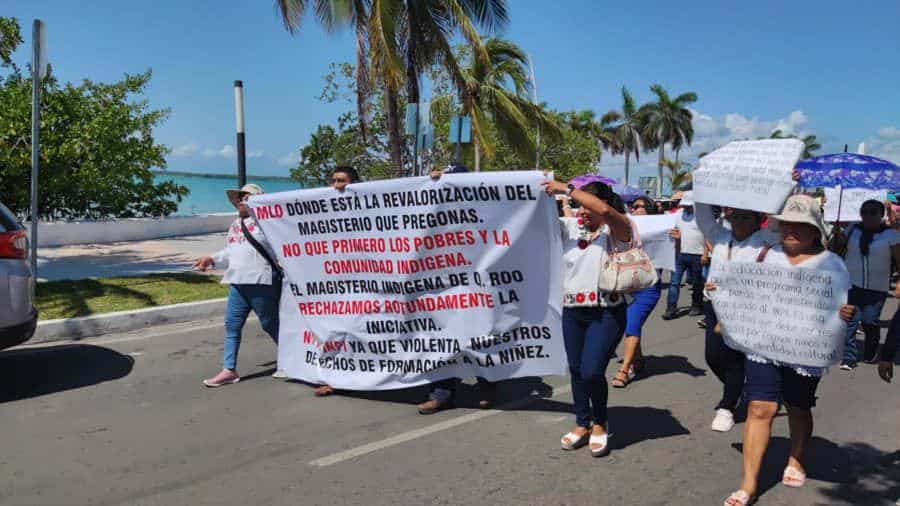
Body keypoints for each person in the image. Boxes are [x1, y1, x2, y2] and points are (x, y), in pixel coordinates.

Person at [720, 194, 855, 506]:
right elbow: (741, 289)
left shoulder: (832, 264)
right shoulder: (764, 255)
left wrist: (845, 313)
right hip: (764, 346)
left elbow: (840, 305)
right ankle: (749, 484)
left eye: (801, 225)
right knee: (759, 408)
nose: (792, 230)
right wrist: (722, 297)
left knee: (797, 406)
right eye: (787, 224)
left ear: (815, 231)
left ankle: (796, 457)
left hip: (805, 351)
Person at [543, 174, 632, 458]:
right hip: (572, 312)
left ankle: (600, 423)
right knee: (577, 370)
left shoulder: (619, 229)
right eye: (577, 204)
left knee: (592, 370)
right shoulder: (570, 229)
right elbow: (534, 224)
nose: (582, 210)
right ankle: (582, 423)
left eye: (586, 203)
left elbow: (605, 212)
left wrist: (566, 188)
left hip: (607, 313)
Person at [417, 163, 497, 414]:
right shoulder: (432, 212)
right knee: (442, 338)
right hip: (441, 287)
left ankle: (488, 384)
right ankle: (442, 392)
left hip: (475, 286)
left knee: (479, 336)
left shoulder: (484, 209)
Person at [696, 201, 775, 432]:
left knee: (734, 357)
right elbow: (702, 215)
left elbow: (780, 218)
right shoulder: (719, 235)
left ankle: (727, 406)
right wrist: (701, 183)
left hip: (746, 309)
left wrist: (789, 185)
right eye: (736, 217)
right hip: (714, 305)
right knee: (713, 356)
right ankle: (738, 387)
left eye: (746, 217)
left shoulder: (765, 240)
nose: (740, 221)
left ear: (757, 220)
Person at [195, 184, 283, 387]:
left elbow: (281, 247)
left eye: (246, 197)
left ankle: (292, 359)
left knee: (270, 324)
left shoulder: (267, 224)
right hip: (237, 282)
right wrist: (212, 258)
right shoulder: (236, 225)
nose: (240, 201)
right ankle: (229, 370)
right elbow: (231, 250)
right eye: (239, 198)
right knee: (231, 326)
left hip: (262, 281)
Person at [311, 166, 361, 397]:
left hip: (365, 282)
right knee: (336, 331)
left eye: (341, 181)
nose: (336, 186)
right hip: (336, 283)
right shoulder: (326, 207)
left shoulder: (369, 206)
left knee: (360, 332)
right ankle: (334, 378)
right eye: (333, 181)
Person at [833, 199, 900, 369]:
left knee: (870, 320)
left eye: (873, 212)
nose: (868, 216)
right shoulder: (852, 229)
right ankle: (849, 357)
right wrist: (837, 235)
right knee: (851, 320)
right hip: (851, 284)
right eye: (865, 212)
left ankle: (871, 349)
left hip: (877, 286)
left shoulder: (890, 234)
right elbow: (839, 249)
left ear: (881, 215)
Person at [612, 196, 661, 388]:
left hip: (647, 288)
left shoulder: (661, 229)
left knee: (632, 325)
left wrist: (677, 240)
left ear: (649, 209)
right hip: (628, 285)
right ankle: (638, 360)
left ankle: (625, 370)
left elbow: (671, 257)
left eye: (639, 206)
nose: (634, 209)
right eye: (633, 206)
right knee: (629, 325)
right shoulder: (627, 226)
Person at [663, 191, 705, 319]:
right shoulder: (678, 215)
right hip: (680, 254)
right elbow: (670, 228)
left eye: (689, 205)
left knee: (697, 283)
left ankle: (696, 305)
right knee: (674, 282)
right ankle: (671, 308)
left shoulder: (702, 216)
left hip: (698, 254)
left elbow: (708, 236)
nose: (686, 207)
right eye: (685, 205)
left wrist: (706, 254)